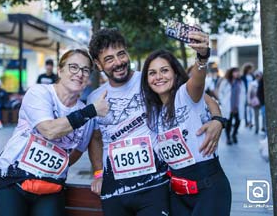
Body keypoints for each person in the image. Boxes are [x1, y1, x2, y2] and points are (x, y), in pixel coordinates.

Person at [87, 28, 224, 216]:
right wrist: (98, 173)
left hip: (155, 184)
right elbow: (95, 138)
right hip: (116, 188)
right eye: (109, 59)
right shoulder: (94, 98)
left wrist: (218, 120)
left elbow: (201, 96)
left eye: (121, 54)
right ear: (98, 64)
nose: (118, 62)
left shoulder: (149, 78)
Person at [0, 49, 109, 216]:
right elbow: (49, 130)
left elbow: (75, 154)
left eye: (85, 70)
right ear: (60, 70)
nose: (79, 74)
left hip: (50, 186)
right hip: (12, 181)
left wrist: (49, 168)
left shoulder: (87, 114)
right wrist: (91, 111)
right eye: (73, 67)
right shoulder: (40, 93)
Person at [140, 37, 231, 215]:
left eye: (164, 70)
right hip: (178, 195)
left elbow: (197, 80)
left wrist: (202, 56)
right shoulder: (155, 112)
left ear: (175, 73)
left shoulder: (185, 95)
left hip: (208, 189)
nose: (158, 77)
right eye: (152, 73)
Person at [218, 67, 246, 145]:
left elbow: (244, 93)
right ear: (231, 73)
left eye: (238, 72)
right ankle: (228, 138)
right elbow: (220, 92)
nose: (237, 73)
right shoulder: (226, 82)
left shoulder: (240, 82)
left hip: (237, 105)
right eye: (235, 72)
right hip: (228, 106)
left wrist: (244, 102)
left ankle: (234, 135)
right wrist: (223, 101)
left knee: (238, 121)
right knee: (228, 123)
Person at [240, 63, 255, 128]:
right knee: (246, 109)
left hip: (252, 94)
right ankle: (246, 122)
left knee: (251, 109)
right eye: (250, 69)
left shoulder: (253, 76)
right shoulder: (242, 77)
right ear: (247, 69)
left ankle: (251, 122)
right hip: (245, 94)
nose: (251, 70)